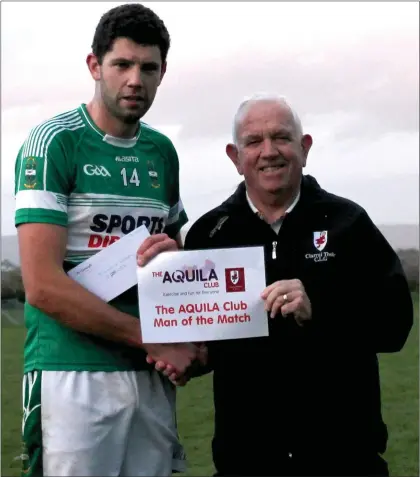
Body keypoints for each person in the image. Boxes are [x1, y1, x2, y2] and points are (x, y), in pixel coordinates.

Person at [150, 93, 414, 476]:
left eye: (282, 138)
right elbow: (208, 344)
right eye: (254, 141)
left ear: (304, 149)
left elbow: (396, 325)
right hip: (248, 460)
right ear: (234, 157)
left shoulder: (348, 223)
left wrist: (317, 309)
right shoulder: (210, 234)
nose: (269, 151)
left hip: (345, 458)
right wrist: (187, 354)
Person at [14, 4, 205, 476]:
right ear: (95, 66)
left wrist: (177, 261)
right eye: (122, 64)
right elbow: (42, 285)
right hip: (70, 372)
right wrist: (150, 340)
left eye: (148, 67)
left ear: (163, 73)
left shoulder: (162, 151)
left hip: (149, 375)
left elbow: (172, 262)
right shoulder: (54, 143)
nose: (135, 80)